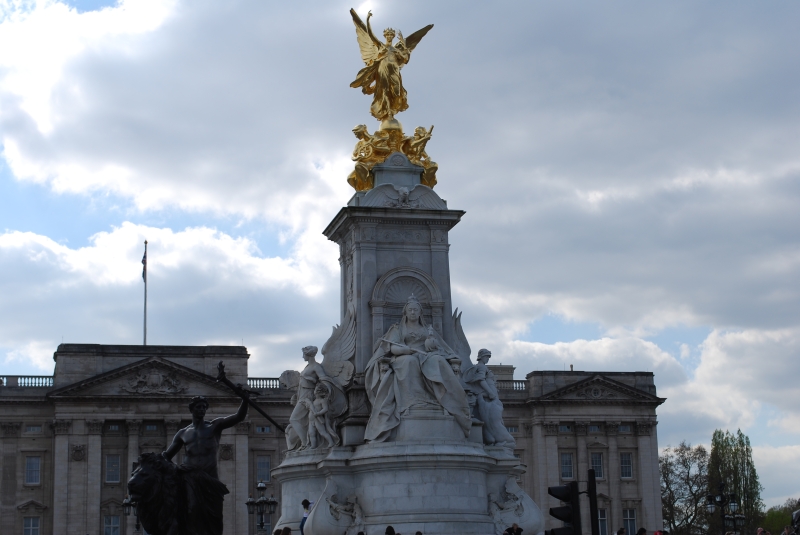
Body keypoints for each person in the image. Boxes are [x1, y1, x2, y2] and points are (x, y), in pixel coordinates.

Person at [364, 295, 470, 442]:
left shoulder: (428, 329)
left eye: (415, 310)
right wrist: (405, 351)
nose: (413, 312)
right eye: (410, 310)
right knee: (409, 362)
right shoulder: (398, 328)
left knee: (439, 361)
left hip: (426, 356)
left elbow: (439, 347)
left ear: (420, 312)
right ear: (405, 312)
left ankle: (444, 400)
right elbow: (392, 346)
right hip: (404, 356)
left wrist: (431, 344)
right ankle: (412, 403)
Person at [160, 393, 249, 535]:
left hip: (210, 479)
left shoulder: (214, 426)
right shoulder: (183, 433)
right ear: (192, 409)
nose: (202, 410)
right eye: (198, 407)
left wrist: (245, 400)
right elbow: (167, 456)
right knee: (192, 509)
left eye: (204, 407)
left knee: (216, 519)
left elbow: (239, 417)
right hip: (190, 478)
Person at [288, 346, 327, 449]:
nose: (302, 357)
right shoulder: (308, 367)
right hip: (302, 395)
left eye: (304, 354)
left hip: (308, 396)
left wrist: (313, 381)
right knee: (296, 419)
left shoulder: (316, 366)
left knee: (294, 419)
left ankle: (305, 443)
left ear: (308, 355)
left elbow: (324, 381)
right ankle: (305, 442)